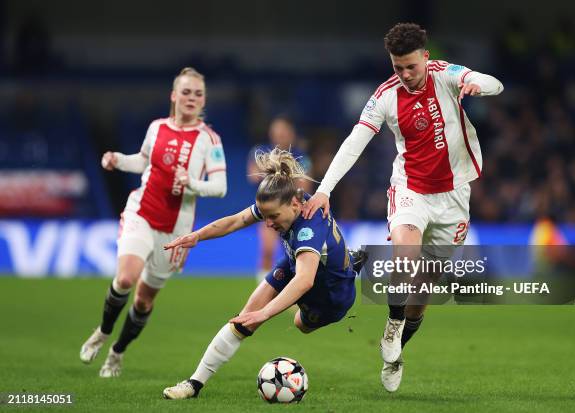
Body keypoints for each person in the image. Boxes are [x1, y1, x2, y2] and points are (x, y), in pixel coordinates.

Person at [302, 22, 504, 392]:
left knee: (421, 294)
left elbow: (494, 83)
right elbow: (353, 142)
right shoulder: (384, 96)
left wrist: (478, 85)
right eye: (398, 67)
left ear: (425, 57)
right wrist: (324, 190)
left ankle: (395, 347)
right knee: (405, 256)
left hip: (454, 196)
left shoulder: (446, 76)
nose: (406, 75)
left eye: (411, 66)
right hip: (411, 189)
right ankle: (392, 327)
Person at [161, 148, 365, 400]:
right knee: (245, 318)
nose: (268, 224)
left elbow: (304, 281)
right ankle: (194, 384)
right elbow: (236, 220)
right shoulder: (284, 199)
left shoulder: (309, 227)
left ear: (294, 205)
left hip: (332, 294)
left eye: (273, 217)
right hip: (296, 263)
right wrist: (197, 236)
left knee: (300, 324)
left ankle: (349, 265)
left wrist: (266, 312)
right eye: (265, 216)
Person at [79, 67, 228, 378]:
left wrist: (193, 184)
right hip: (142, 212)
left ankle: (117, 352)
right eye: (186, 92)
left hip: (176, 230)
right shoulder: (157, 127)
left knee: (144, 301)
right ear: (174, 96)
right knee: (125, 278)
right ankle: (103, 332)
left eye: (198, 94)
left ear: (203, 101)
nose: (191, 98)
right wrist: (118, 159)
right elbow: (144, 160)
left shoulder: (209, 140)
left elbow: (221, 186)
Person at [247, 115, 313, 283]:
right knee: (267, 251)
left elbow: (305, 185)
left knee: (297, 254)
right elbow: (253, 175)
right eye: (276, 131)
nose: (279, 134)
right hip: (268, 210)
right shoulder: (261, 151)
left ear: (291, 133)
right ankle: (263, 290)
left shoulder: (300, 156)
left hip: (293, 213)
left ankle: (297, 293)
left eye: (283, 131)